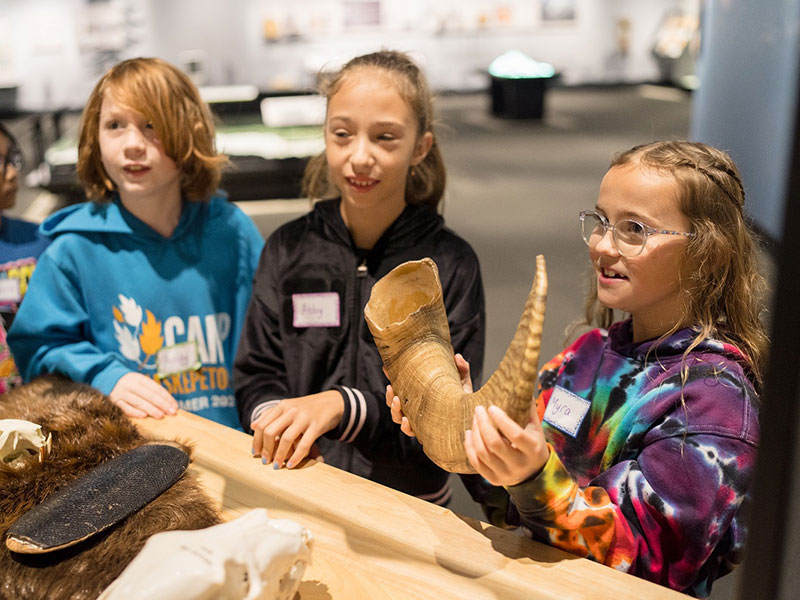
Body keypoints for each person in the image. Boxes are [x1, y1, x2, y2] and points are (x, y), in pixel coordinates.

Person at [388, 141, 767, 597]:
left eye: (634, 229)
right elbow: (516, 512)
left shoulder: (716, 403)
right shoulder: (585, 355)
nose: (602, 245)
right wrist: (479, 434)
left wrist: (533, 476)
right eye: (601, 221)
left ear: (706, 252)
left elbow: (649, 563)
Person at [234, 50, 511, 522]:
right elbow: (256, 372)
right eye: (342, 135)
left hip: (409, 508)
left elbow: (444, 415)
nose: (360, 157)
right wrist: (273, 423)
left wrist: (343, 406)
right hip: (304, 487)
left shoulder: (450, 263)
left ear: (420, 147)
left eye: (385, 138)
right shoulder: (288, 247)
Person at [8, 57, 264, 429]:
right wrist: (104, 375)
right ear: (94, 138)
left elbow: (272, 340)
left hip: (236, 443)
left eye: (151, 126)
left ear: (188, 130)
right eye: (114, 125)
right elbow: (39, 346)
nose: (132, 145)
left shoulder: (232, 230)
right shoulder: (73, 249)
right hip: (130, 455)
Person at [0, 123, 50, 392]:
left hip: (35, 401)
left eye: (12, 160)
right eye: (0, 162)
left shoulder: (40, 241)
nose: (12, 173)